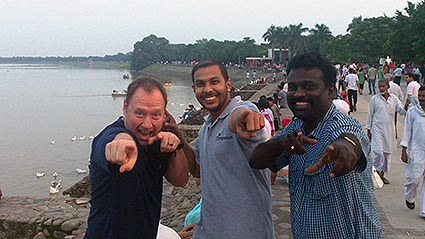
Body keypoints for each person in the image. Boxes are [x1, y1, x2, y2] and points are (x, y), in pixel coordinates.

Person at [249, 52, 382, 238]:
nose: (298, 94)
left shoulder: (341, 124)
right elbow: (256, 160)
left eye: (308, 86)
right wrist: (280, 143)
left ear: (329, 92)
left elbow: (351, 140)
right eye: (293, 87)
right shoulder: (297, 128)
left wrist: (346, 147)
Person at [171, 60, 274, 238]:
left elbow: (240, 117)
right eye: (201, 84)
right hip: (210, 230)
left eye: (214, 82)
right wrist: (176, 133)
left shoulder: (243, 109)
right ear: (193, 88)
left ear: (228, 85)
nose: (208, 89)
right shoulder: (206, 127)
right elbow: (197, 170)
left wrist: (244, 118)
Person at [84, 77, 189, 239]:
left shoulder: (157, 142)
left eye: (155, 115)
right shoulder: (108, 136)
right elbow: (113, 143)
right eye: (139, 113)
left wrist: (176, 143)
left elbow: (180, 180)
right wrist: (121, 143)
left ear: (164, 114)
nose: (147, 124)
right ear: (125, 108)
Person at [365, 78, 405, 185]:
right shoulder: (374, 99)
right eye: (380, 87)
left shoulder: (394, 99)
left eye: (383, 86)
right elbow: (370, 114)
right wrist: (368, 129)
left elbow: (402, 111)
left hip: (390, 130)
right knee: (378, 152)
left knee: (387, 154)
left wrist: (408, 106)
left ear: (388, 87)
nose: (381, 89)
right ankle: (375, 174)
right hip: (377, 129)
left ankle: (381, 175)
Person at [401, 86, 425, 214]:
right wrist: (404, 149)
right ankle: (409, 198)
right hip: (416, 151)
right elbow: (407, 131)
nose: (421, 99)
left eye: (423, 96)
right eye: (420, 96)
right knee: (413, 180)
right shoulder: (412, 112)